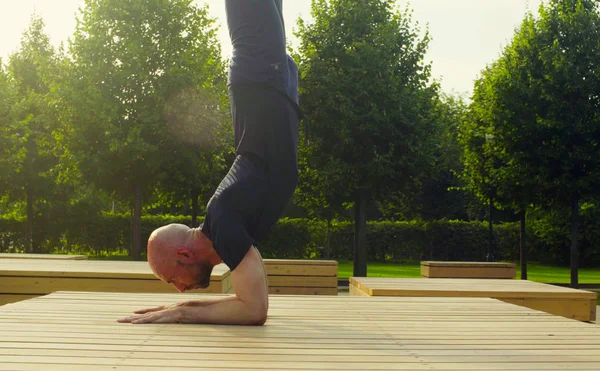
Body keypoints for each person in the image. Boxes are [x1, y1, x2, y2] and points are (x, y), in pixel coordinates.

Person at [118, 0, 302, 326]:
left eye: (174, 280)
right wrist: (179, 308)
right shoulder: (227, 230)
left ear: (184, 255)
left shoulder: (223, 226)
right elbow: (248, 303)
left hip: (260, 77)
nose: (178, 290)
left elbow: (253, 311)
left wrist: (180, 313)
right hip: (271, 80)